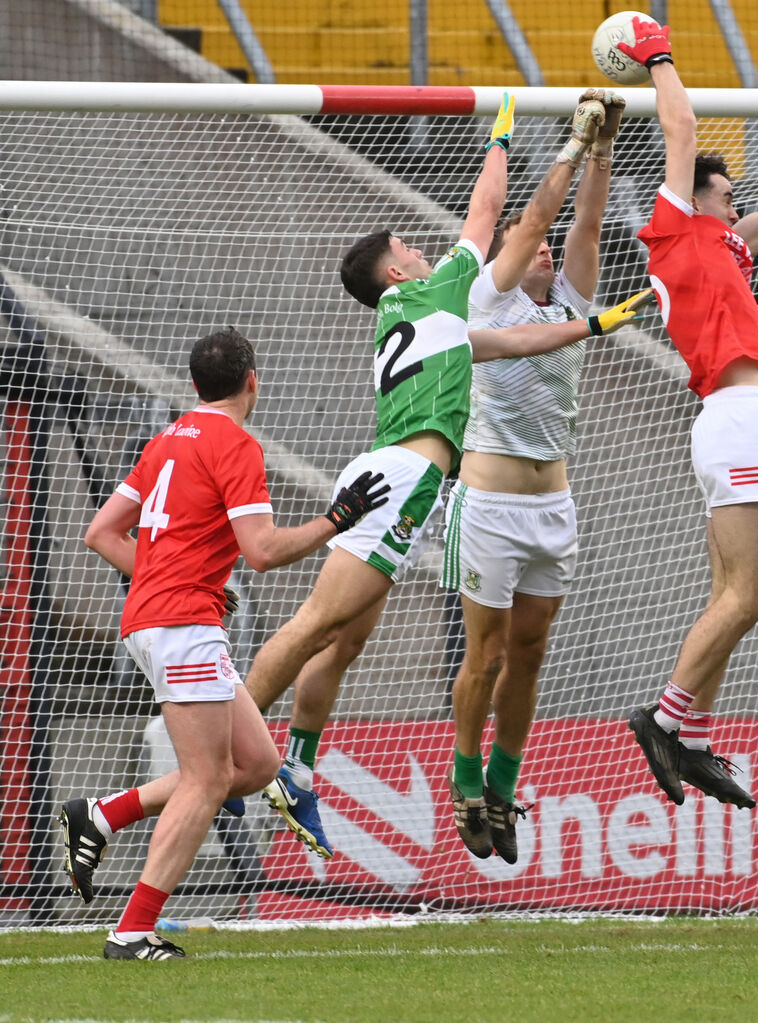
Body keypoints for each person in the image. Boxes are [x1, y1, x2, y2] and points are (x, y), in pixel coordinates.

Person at [238, 94, 650, 860]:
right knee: (323, 625)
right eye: (411, 245)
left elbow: (517, 345)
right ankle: (231, 743)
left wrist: (596, 323)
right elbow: (498, 212)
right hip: (419, 480)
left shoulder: (441, 324)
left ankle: (294, 760)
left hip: (419, 476)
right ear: (397, 267)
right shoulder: (441, 289)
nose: (427, 249)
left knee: (346, 637)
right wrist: (515, 133)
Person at [64, 326, 389, 960]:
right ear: (252, 382)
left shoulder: (167, 441)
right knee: (208, 779)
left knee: (259, 765)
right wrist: (336, 520)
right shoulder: (234, 443)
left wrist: (171, 574)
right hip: (182, 625)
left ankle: (102, 815)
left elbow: (102, 533)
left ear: (194, 385)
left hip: (161, 618)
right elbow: (262, 552)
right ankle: (132, 931)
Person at [614, 16, 758, 809]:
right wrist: (657, 54)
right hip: (736, 413)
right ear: (696, 196)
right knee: (751, 595)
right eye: (725, 198)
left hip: (733, 415)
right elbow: (682, 121)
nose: (738, 213)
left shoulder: (725, 244)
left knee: (732, 593)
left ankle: (692, 737)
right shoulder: (676, 229)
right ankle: (664, 722)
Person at [442, 88, 630, 863]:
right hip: (487, 501)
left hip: (554, 505)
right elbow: (539, 222)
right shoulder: (486, 296)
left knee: (531, 651)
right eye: (531, 244)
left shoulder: (572, 302)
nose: (545, 251)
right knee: (482, 656)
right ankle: (462, 779)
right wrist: (574, 143)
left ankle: (503, 783)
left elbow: (583, 222)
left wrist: (607, 146)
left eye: (547, 250)